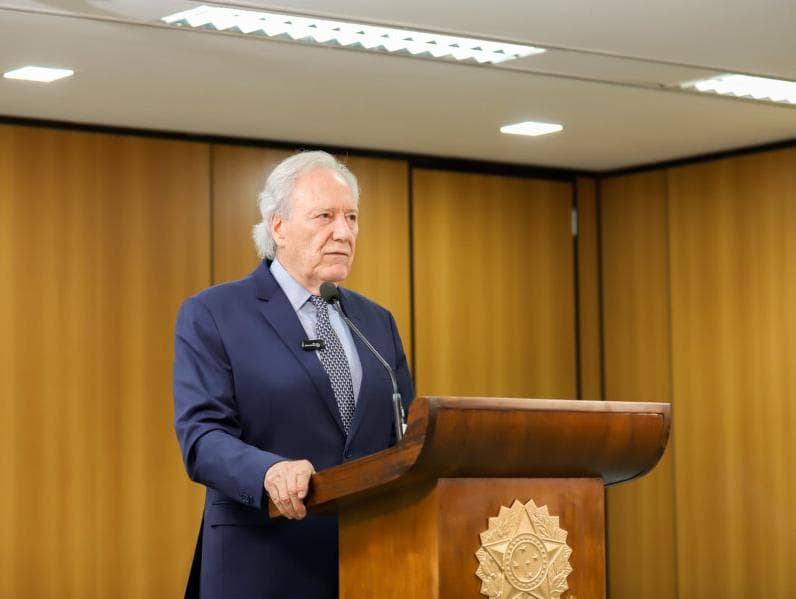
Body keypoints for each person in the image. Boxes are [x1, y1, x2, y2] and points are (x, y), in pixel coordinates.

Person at [173, 150, 414, 598]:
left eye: (351, 218)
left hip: (370, 562)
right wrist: (268, 471)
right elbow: (202, 437)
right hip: (263, 563)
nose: (343, 232)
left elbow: (406, 437)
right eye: (325, 216)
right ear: (278, 226)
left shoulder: (376, 322)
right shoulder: (214, 314)